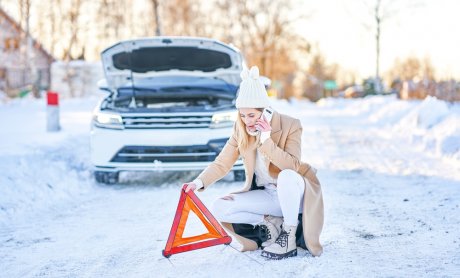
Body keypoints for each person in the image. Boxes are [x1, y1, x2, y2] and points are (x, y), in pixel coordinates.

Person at [184, 66, 324, 259]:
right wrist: (197, 183)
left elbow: (293, 166)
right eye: (242, 115)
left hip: (296, 194)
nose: (246, 121)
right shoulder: (241, 129)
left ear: (265, 111)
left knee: (287, 175)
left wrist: (266, 140)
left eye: (251, 115)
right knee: (219, 207)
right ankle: (271, 223)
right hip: (268, 195)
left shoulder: (290, 125)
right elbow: (222, 163)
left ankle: (289, 237)